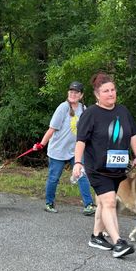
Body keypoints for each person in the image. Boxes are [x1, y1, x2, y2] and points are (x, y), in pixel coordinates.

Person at [73, 72, 136, 258]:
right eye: (106, 91)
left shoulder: (123, 111)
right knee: (110, 202)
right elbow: (81, 141)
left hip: (118, 168)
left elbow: (132, 135)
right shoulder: (90, 114)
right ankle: (118, 242)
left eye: (113, 90)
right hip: (97, 167)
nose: (111, 94)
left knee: (104, 203)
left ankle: (96, 236)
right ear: (97, 94)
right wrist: (77, 162)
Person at [33, 81, 96, 215]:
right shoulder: (63, 108)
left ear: (81, 95)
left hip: (75, 151)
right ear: (68, 93)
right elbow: (51, 129)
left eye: (76, 92)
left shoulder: (84, 109)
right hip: (58, 150)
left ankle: (89, 205)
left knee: (82, 176)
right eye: (71, 92)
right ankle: (49, 203)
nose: (73, 94)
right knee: (54, 177)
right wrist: (41, 144)